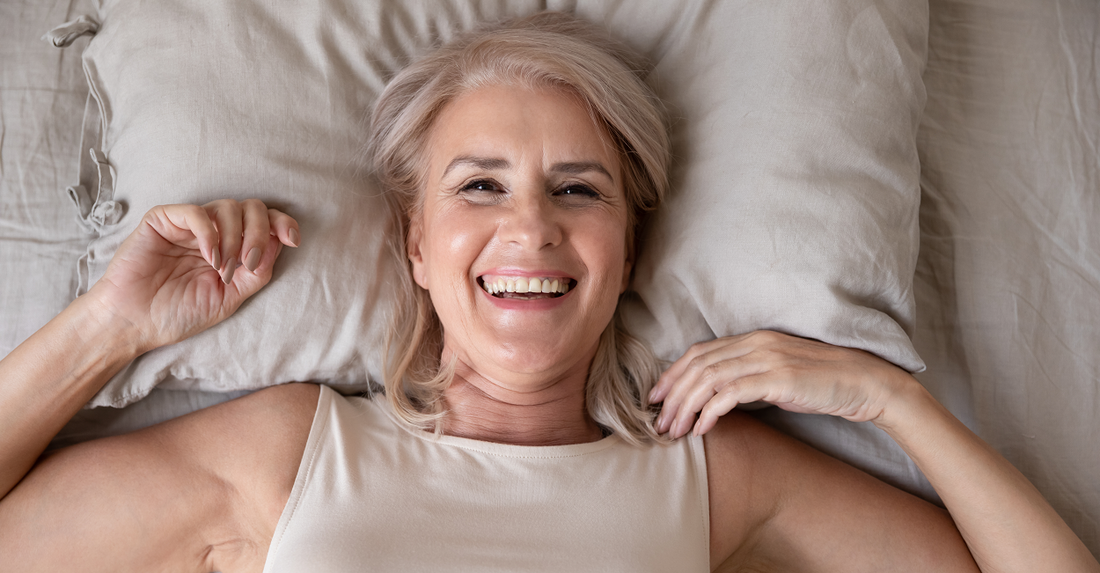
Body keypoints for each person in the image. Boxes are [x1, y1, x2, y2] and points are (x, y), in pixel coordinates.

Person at [0, 11, 1096, 572]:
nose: (529, 227)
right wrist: (114, 326)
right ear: (414, 244)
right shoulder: (289, 454)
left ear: (625, 249)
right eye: (478, 186)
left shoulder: (711, 476)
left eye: (579, 189)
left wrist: (885, 398)